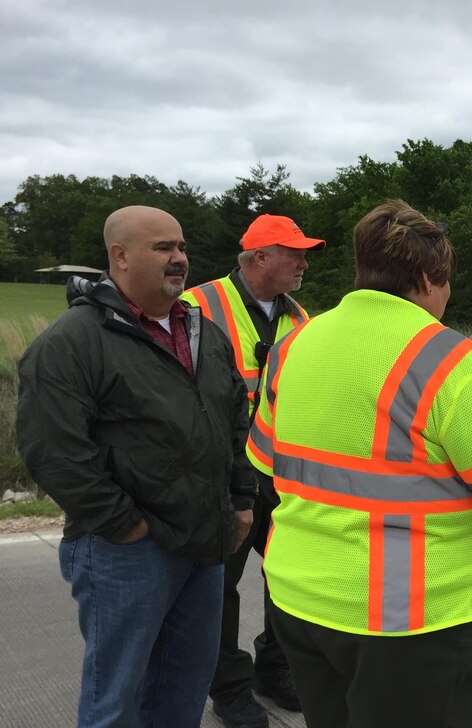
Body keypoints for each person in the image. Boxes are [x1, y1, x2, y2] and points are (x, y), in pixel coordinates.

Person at [245, 198, 472, 728]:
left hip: (300, 603)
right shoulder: (453, 363)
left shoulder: (293, 345)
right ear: (428, 278)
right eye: (446, 283)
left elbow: (266, 461)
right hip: (408, 624)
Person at [17, 205, 255, 728]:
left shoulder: (201, 332)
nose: (179, 259)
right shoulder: (72, 342)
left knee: (183, 692)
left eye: (182, 247)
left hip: (205, 542)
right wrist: (126, 526)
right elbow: (53, 451)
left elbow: (235, 416)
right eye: (163, 248)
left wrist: (241, 500)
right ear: (119, 256)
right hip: (126, 552)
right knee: (115, 702)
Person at [182, 213, 325, 728]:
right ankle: (230, 689)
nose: (304, 263)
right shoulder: (197, 306)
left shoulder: (300, 318)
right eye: (295, 254)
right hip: (222, 474)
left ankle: (276, 670)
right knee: (220, 584)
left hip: (281, 472)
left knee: (284, 577)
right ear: (260, 257)